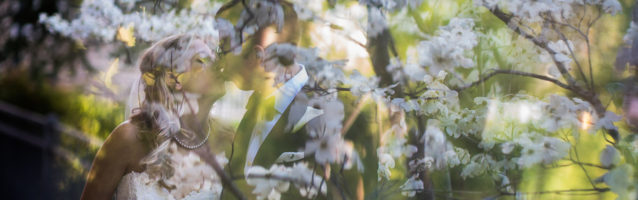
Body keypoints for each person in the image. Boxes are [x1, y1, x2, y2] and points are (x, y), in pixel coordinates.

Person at [81, 34, 230, 200]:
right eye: (202, 60)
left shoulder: (229, 142)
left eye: (213, 58)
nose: (217, 65)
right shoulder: (128, 139)